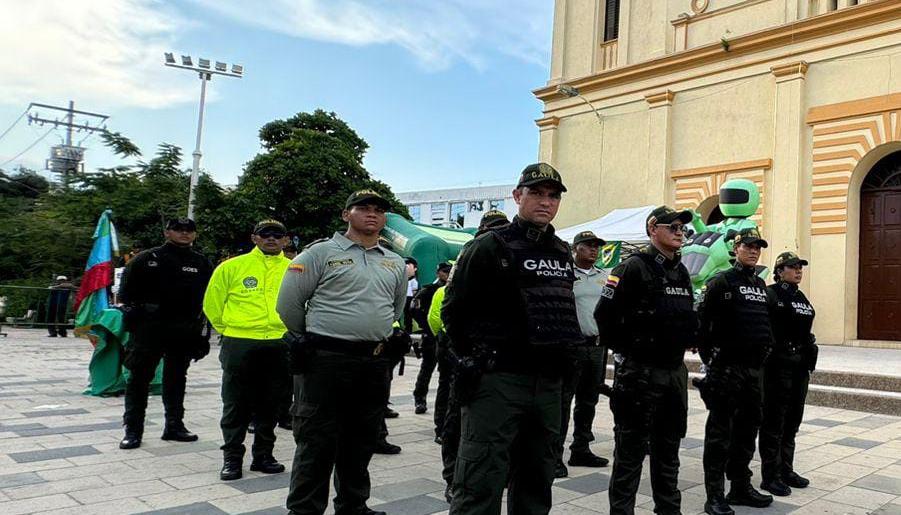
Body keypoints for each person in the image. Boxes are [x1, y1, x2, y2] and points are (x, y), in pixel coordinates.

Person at [443, 163, 583, 515]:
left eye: (553, 196)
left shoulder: (562, 251)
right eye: (536, 193)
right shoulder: (490, 246)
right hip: (499, 381)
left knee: (537, 482)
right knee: (480, 481)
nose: (545, 202)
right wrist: (473, 360)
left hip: (548, 383)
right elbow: (454, 311)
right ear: (517, 196)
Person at [277, 189, 407, 515]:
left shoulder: (394, 261)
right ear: (345, 213)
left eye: (379, 209)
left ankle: (353, 505)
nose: (372, 214)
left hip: (373, 362)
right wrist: (312, 338)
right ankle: (305, 509)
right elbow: (289, 305)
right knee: (317, 442)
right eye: (363, 208)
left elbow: (394, 308)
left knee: (361, 439)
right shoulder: (319, 253)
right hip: (325, 361)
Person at [594, 206, 698, 515]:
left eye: (682, 228)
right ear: (653, 228)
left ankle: (669, 509)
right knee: (630, 454)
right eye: (673, 226)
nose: (680, 232)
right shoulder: (632, 268)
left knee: (669, 451)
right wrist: (628, 355)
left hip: (673, 373)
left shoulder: (680, 271)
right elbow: (604, 316)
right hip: (640, 374)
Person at [203, 220, 292, 481]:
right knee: (236, 403)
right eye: (266, 234)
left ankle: (263, 455)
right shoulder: (232, 267)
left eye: (278, 235)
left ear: (286, 240)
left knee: (272, 403)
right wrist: (232, 329)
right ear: (255, 238)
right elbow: (212, 304)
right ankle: (232, 458)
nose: (272, 239)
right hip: (240, 342)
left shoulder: (295, 269)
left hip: (279, 342)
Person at [698, 228, 776, 515]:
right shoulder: (721, 282)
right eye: (749, 246)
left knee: (747, 431)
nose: (754, 251)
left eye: (758, 247)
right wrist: (713, 363)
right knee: (719, 435)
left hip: (753, 372)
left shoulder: (758, 284)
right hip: (727, 370)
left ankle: (740, 486)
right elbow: (703, 327)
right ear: (736, 247)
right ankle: (714, 495)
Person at [118, 217, 213, 450]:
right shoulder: (146, 259)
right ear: (167, 232)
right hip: (149, 329)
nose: (184, 233)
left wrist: (202, 335)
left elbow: (209, 301)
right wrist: (136, 321)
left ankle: (174, 425)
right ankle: (133, 430)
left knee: (177, 378)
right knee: (139, 379)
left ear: (195, 234)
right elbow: (126, 295)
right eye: (178, 229)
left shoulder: (201, 263)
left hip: (183, 329)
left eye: (189, 229)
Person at [434, 210, 509, 504]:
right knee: (458, 418)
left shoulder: (510, 253)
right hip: (469, 349)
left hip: (498, 354)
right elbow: (451, 308)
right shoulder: (471, 252)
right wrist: (463, 352)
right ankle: (453, 478)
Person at [759, 252, 817, 496]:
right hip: (777, 366)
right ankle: (770, 475)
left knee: (792, 420)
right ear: (780, 271)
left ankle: (786, 469)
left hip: (799, 367)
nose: (798, 270)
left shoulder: (800, 296)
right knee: (774, 421)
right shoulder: (771, 294)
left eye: (800, 267)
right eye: (792, 267)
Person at [555, 230, 611, 479]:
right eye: (588, 246)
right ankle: (555, 453)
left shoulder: (605, 276)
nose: (594, 250)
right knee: (563, 401)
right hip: (572, 347)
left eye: (596, 246)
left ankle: (581, 448)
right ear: (575, 248)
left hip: (597, 346)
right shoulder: (566, 274)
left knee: (588, 401)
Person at [411, 262, 452, 416]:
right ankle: (419, 398)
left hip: (443, 335)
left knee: (444, 376)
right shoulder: (429, 290)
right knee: (427, 369)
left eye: (448, 271)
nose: (446, 274)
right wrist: (426, 326)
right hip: (431, 335)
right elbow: (414, 308)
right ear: (438, 273)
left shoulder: (452, 289)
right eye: (444, 271)